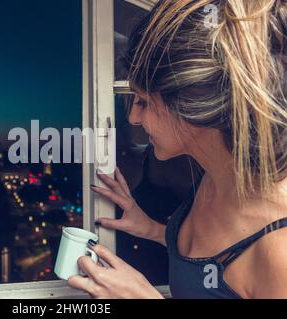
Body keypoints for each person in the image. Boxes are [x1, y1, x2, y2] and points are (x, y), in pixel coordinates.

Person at [67, 0, 287, 299]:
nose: (132, 117)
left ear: (193, 111)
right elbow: (208, 263)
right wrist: (152, 229)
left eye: (143, 102)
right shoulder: (212, 173)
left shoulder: (280, 251)